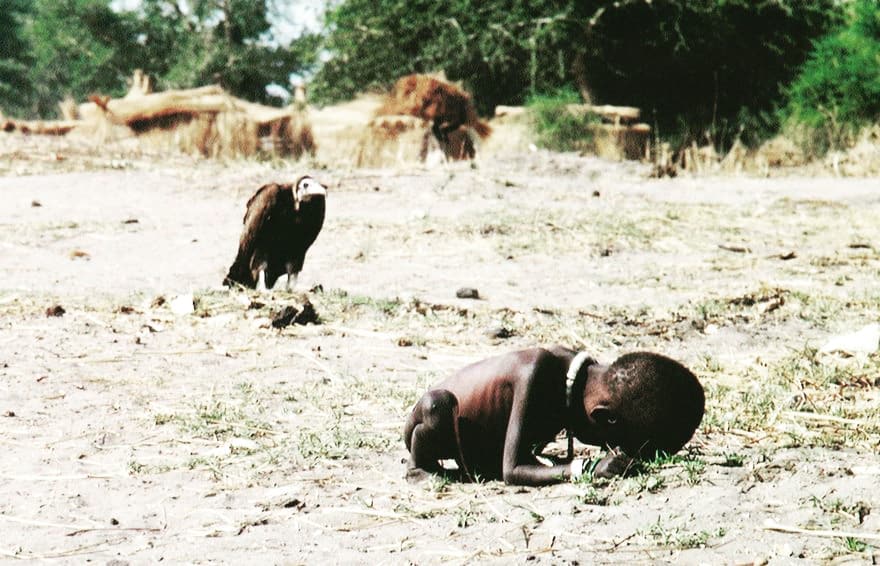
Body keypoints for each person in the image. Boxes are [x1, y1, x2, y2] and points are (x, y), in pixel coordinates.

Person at [404, 346, 704, 486]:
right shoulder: (538, 373)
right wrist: (583, 468)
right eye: (613, 443)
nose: (609, 449)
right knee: (437, 408)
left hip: (482, 444)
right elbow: (513, 470)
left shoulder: (580, 379)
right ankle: (419, 468)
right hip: (439, 423)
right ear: (604, 418)